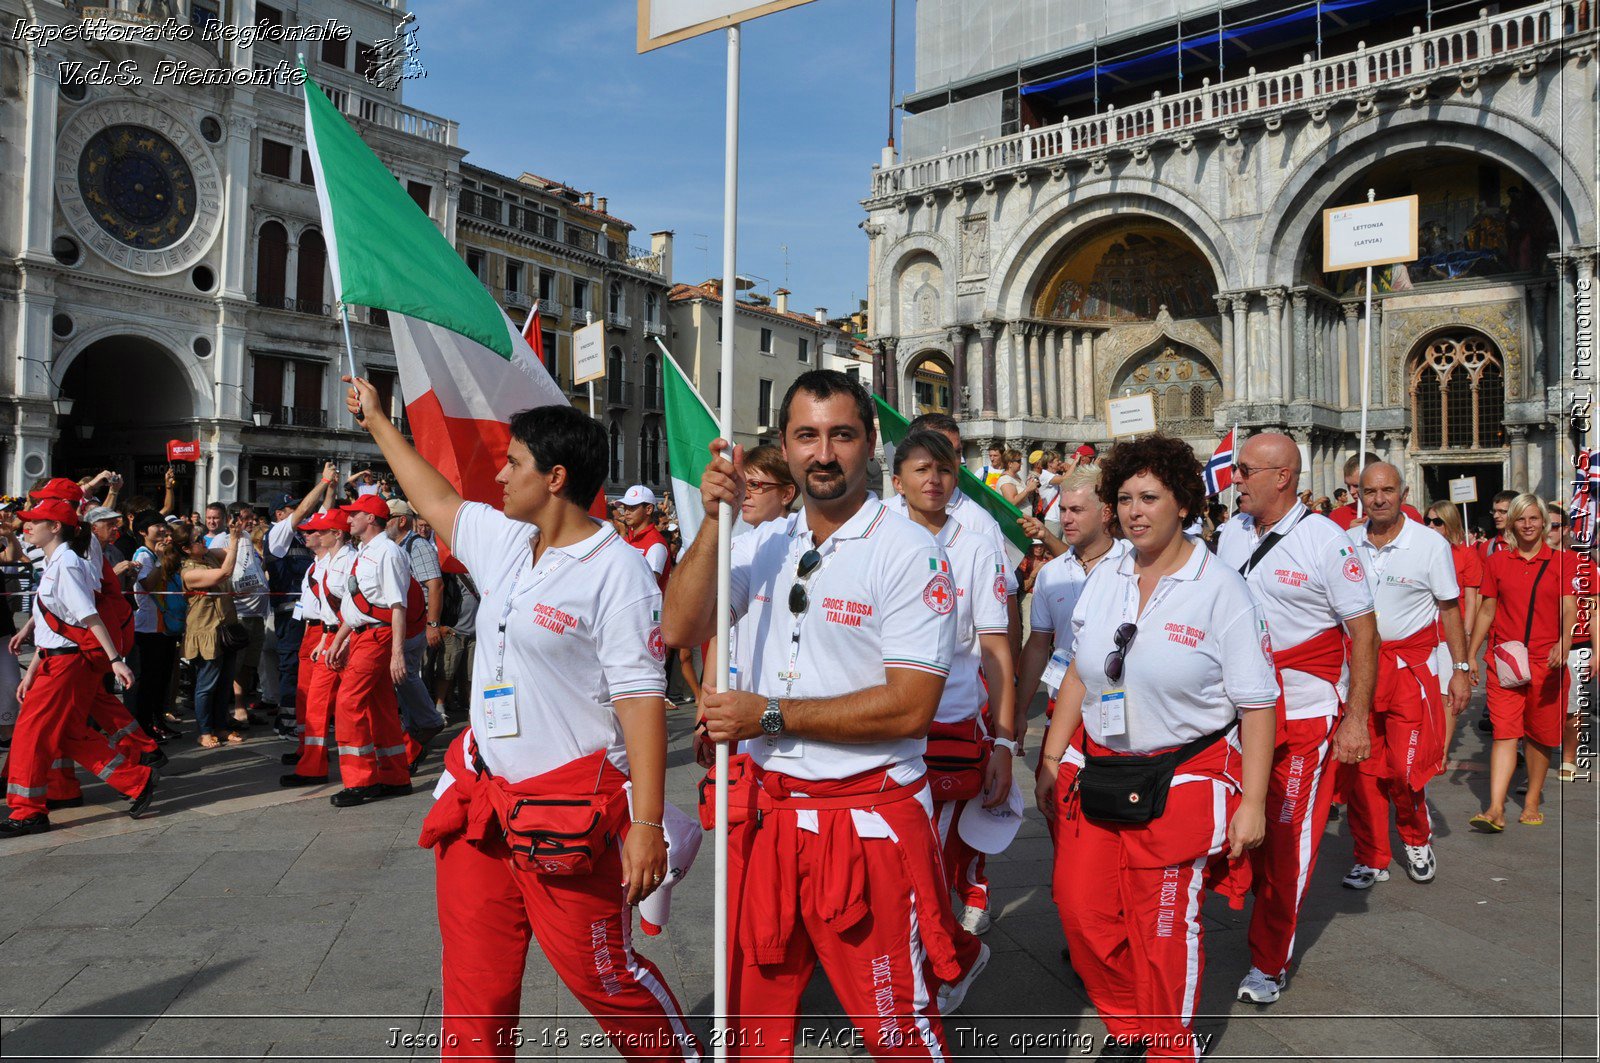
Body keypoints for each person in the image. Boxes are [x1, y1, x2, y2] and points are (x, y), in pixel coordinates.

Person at [344, 376, 700, 1062]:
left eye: (513, 462)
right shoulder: (506, 539)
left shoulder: (616, 572)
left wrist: (649, 825)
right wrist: (381, 425)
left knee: (604, 978)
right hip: (481, 803)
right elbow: (437, 499)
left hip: (570, 817)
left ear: (556, 477)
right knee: (476, 990)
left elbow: (641, 702)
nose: (498, 473)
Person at [663, 369, 966, 1058]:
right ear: (783, 445)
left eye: (841, 435)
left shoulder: (910, 551)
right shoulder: (763, 540)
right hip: (770, 819)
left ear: (870, 442)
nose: (823, 453)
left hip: (868, 818)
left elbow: (911, 708)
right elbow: (681, 624)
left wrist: (767, 714)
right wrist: (715, 523)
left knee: (896, 1025)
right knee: (748, 1022)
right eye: (807, 435)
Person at [1035, 434, 1278, 1061]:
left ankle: (1170, 1047)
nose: (1135, 510)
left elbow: (1257, 703)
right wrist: (1052, 756)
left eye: (1150, 496)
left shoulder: (1220, 586)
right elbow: (1082, 672)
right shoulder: (1107, 574)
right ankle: (1127, 1023)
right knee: (1084, 916)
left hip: (1185, 777)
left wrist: (1252, 803)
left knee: (1163, 927)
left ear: (1183, 503)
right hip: (1098, 771)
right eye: (1125, 498)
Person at [1215, 432, 1377, 1006]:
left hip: (1304, 717)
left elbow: (1363, 633)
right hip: (1233, 714)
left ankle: (1269, 959)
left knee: (1286, 840)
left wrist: (1355, 719)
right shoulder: (1229, 533)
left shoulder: (1327, 543)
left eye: (1245, 470)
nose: (1234, 479)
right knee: (1228, 829)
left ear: (1281, 476)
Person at [892, 429, 1016, 940]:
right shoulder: (874, 537)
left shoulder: (976, 544)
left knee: (939, 855)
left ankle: (944, 960)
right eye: (921, 470)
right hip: (884, 724)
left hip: (951, 722)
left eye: (943, 469)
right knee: (895, 856)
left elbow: (995, 647)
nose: (934, 480)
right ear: (898, 481)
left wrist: (1005, 739)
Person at [1342, 463, 1470, 888]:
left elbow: (1450, 608)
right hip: (1358, 671)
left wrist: (1461, 669)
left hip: (1409, 673)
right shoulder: (1345, 542)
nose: (1379, 498)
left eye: (1388, 490)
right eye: (1369, 491)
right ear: (1358, 494)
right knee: (1362, 771)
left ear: (1403, 492)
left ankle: (1416, 837)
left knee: (1403, 768)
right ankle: (1371, 857)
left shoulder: (1429, 544)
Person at [3, 497, 156, 836]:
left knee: (30, 736)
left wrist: (115, 660)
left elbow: (89, 616)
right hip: (57, 660)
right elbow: (56, 620)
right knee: (68, 734)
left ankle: (27, 811)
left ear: (55, 527)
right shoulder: (60, 560)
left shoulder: (67, 563)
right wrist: (32, 667)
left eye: (35, 520)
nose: (26, 526)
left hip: (64, 663)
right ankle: (137, 779)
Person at [1466, 494, 1579, 830]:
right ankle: (1496, 809)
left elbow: (1569, 606)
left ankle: (1531, 800)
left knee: (1539, 734)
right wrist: (1470, 656)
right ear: (1512, 524)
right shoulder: (1498, 562)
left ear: (1544, 522)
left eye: (1534, 518)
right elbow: (1487, 609)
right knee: (1504, 732)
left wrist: (1566, 639)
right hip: (1506, 660)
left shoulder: (1565, 561)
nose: (1528, 525)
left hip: (1548, 661)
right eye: (1521, 519)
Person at [1015, 469, 1131, 754]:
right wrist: (1020, 710)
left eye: (1077, 510)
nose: (1066, 518)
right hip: (1061, 708)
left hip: (1120, 711)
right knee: (1055, 793)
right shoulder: (1050, 574)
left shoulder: (1133, 562)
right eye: (1064, 509)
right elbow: (1038, 646)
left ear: (1105, 513)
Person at [887, 413, 1023, 656]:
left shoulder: (980, 525)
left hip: (958, 681)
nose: (948, 459)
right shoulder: (879, 518)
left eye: (954, 453)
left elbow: (1005, 607)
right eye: (932, 452)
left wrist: (1009, 679)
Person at [322, 493, 417, 807]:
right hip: (365, 635)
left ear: (370, 519)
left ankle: (362, 781)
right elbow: (359, 606)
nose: (348, 519)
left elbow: (396, 606)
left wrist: (397, 654)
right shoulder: (365, 551)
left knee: (348, 703)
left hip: (378, 637)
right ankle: (395, 777)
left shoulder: (387, 553)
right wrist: (340, 639)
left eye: (354, 514)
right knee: (381, 709)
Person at [264, 468, 339, 737]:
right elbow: (307, 509)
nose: (299, 512)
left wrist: (330, 489)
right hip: (289, 611)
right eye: (290, 509)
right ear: (279, 515)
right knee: (291, 665)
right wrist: (323, 481)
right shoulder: (277, 534)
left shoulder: (297, 533)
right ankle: (286, 720)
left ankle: (306, 716)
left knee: (308, 665)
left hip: (307, 612)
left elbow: (320, 516)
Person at [284, 508, 354, 787]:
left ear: (335, 534)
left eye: (317, 531)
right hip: (321, 632)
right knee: (312, 699)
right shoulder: (318, 563)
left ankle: (317, 763)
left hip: (340, 633)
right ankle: (309, 758)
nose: (309, 534)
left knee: (334, 702)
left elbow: (349, 606)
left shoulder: (345, 561)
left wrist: (335, 638)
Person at [387, 498, 447, 769]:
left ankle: (427, 723)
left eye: (386, 518)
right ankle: (416, 732)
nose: (382, 523)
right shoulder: (397, 546)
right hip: (407, 623)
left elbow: (435, 585)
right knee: (404, 679)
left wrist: (432, 624)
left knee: (407, 676)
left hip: (416, 625)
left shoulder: (417, 545)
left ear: (401, 520)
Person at [182, 518, 244, 748]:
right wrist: (235, 538)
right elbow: (224, 573)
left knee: (225, 682)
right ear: (186, 549)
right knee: (206, 685)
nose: (203, 541)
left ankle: (221, 726)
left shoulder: (208, 555)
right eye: (197, 540)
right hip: (205, 630)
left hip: (225, 629)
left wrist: (237, 532)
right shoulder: (189, 570)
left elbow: (230, 553)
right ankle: (204, 730)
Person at [131, 512, 180, 741]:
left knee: (162, 678)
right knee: (149, 680)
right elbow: (147, 584)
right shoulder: (143, 554)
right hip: (147, 627)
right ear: (142, 532)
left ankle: (159, 721)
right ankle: (145, 726)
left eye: (163, 525)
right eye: (155, 526)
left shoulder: (157, 552)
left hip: (163, 626)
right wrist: (160, 560)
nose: (162, 529)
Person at [1328, 453, 1423, 530]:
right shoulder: (1336, 517)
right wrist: (1349, 535)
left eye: (1357, 486)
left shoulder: (1409, 515)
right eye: (1348, 485)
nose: (1352, 491)